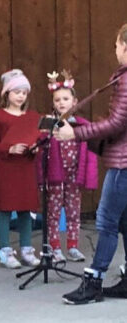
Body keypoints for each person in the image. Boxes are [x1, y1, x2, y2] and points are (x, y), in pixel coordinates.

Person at [57, 23, 127, 304]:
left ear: (125, 46)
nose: (115, 50)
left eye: (116, 45)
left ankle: (94, 282)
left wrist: (75, 133)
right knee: (124, 222)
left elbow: (117, 122)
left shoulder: (125, 80)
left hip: (123, 163)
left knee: (106, 221)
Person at [38, 70, 98, 263]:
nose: (61, 103)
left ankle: (73, 246)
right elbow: (40, 150)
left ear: (74, 101)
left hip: (74, 175)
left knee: (73, 212)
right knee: (53, 213)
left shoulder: (81, 125)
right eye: (57, 100)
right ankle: (54, 248)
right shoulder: (49, 124)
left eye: (65, 98)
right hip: (55, 176)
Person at [0, 69, 41, 269]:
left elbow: (38, 140)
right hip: (7, 168)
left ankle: (26, 249)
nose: (20, 96)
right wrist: (9, 148)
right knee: (5, 209)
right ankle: (5, 250)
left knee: (25, 210)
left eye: (24, 92)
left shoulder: (31, 117)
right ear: (6, 94)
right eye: (16, 91)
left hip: (26, 167)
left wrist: (34, 149)